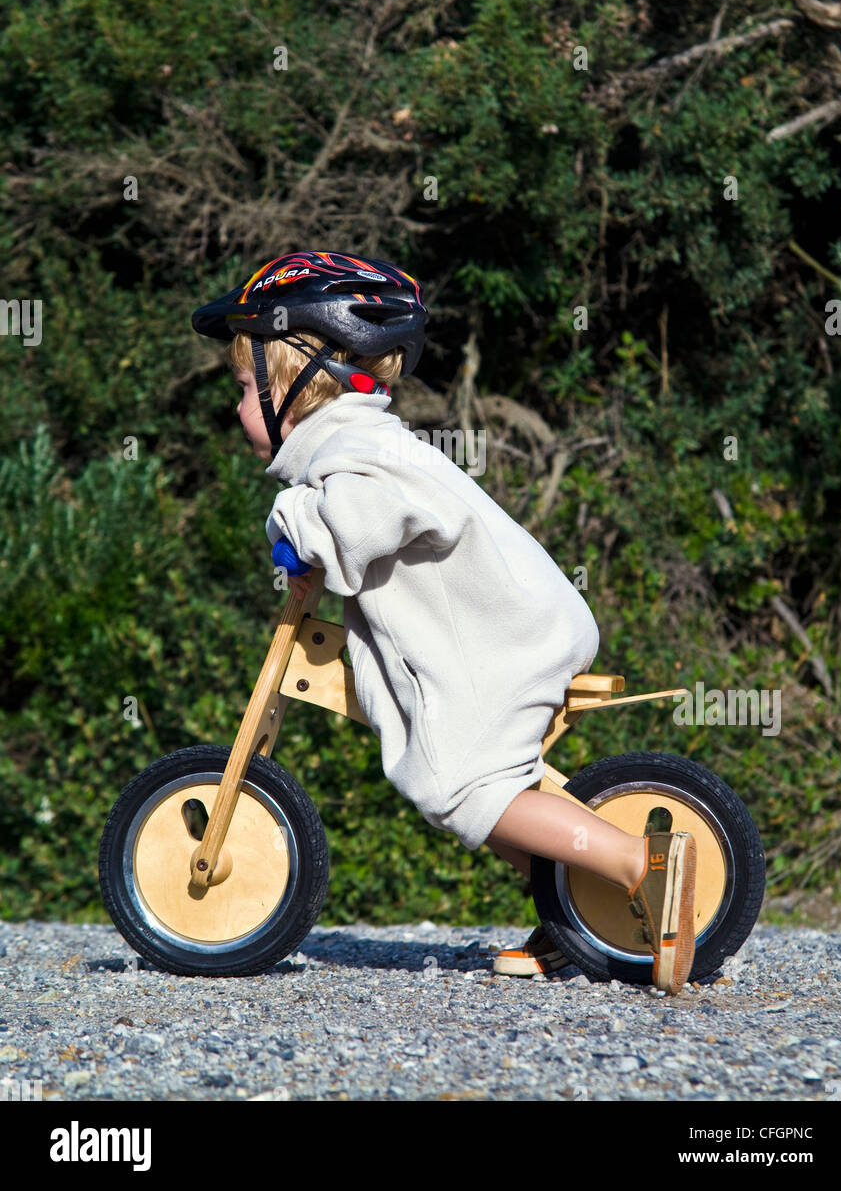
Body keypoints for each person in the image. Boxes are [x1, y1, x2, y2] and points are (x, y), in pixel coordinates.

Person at [192, 251, 696, 995]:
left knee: (457, 787)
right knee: (478, 784)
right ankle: (578, 914)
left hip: (503, 641)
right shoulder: (364, 445)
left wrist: (292, 524)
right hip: (514, 627)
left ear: (293, 384)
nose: (236, 409)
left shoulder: (356, 452)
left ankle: (635, 869)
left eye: (241, 388)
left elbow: (350, 529)